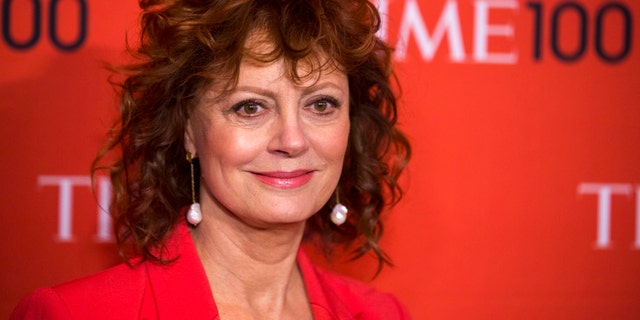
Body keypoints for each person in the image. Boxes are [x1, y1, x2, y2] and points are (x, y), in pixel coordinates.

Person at [12, 0, 411, 318]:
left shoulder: (380, 314)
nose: (292, 140)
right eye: (251, 107)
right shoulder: (75, 314)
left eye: (321, 104)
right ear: (188, 129)